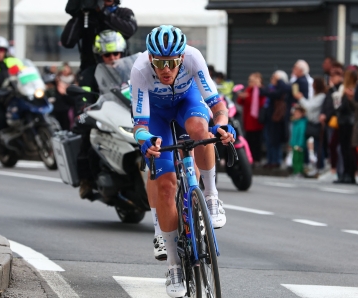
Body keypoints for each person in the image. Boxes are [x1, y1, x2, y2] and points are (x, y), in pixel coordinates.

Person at [130, 25, 235, 297]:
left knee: (201, 130)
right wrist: (146, 140)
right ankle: (174, 266)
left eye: (172, 62)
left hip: (187, 103)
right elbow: (139, 124)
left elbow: (218, 106)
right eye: (160, 62)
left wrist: (223, 126)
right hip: (157, 116)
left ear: (181, 58)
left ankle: (210, 195)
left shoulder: (193, 57)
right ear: (150, 58)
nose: (166, 69)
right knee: (165, 185)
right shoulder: (140, 69)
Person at [78, 30, 128, 200]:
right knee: (88, 140)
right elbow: (82, 97)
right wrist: (85, 109)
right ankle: (86, 180)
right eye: (108, 54)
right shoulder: (89, 74)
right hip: (103, 116)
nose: (113, 57)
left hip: (128, 114)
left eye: (116, 53)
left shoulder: (133, 71)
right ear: (100, 55)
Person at [63, 0, 137, 86]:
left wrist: (103, 13)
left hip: (121, 72)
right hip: (92, 74)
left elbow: (130, 30)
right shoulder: (86, 16)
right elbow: (67, 42)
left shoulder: (123, 13)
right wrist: (78, 14)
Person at [294, 76, 326, 174]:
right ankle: (308, 163)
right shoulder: (315, 96)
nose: (312, 86)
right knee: (307, 143)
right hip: (310, 122)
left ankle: (320, 166)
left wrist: (301, 98)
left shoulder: (322, 96)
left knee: (317, 145)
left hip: (317, 124)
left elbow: (310, 107)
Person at [260, 70, 289, 169]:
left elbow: (276, 93)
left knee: (275, 141)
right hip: (269, 118)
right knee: (269, 140)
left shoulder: (282, 89)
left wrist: (279, 80)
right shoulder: (271, 88)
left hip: (277, 119)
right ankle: (270, 160)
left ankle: (276, 160)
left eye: (275, 78)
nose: (272, 79)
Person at [335, 69, 358, 184]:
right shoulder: (345, 89)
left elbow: (346, 107)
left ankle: (349, 173)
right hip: (345, 121)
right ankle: (346, 173)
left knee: (348, 149)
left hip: (347, 122)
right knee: (344, 149)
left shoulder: (350, 90)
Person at [237, 72, 265, 166]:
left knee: (257, 141)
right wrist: (242, 97)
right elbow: (240, 102)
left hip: (257, 121)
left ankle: (257, 159)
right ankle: (250, 158)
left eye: (252, 81)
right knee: (249, 140)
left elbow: (260, 103)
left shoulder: (260, 91)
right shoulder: (248, 90)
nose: (250, 82)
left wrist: (247, 97)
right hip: (248, 121)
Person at [289, 105, 307, 177]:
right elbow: (292, 134)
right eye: (295, 113)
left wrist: (300, 144)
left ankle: (299, 171)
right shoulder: (294, 123)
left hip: (299, 144)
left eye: (298, 113)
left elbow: (302, 135)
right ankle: (295, 171)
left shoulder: (302, 123)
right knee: (294, 158)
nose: (296, 115)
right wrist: (290, 143)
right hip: (294, 143)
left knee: (299, 159)